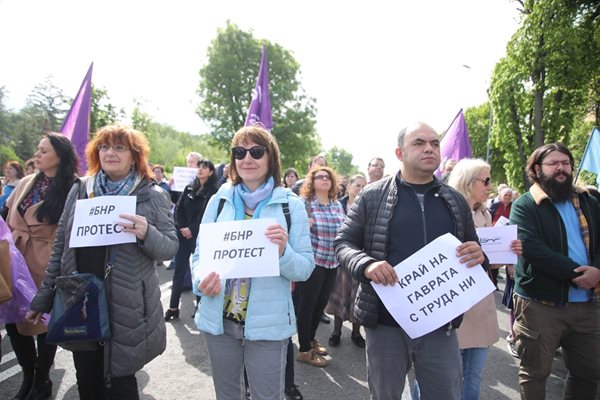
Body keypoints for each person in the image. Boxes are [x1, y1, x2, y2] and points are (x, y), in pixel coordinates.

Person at [334, 122, 485, 400]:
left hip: (441, 324)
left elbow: (475, 254)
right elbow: (343, 244)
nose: (429, 148)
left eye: (435, 143)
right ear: (400, 152)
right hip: (385, 324)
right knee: (385, 395)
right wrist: (367, 265)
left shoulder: (455, 200)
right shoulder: (372, 196)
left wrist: (479, 255)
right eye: (419, 143)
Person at [27, 124, 178, 399]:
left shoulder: (152, 195)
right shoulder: (81, 190)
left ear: (135, 156)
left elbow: (169, 248)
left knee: (121, 384)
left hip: (126, 306)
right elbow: (61, 246)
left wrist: (147, 233)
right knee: (87, 381)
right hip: (81, 301)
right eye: (105, 147)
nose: (110, 153)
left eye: (120, 147)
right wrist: (43, 298)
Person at [190, 125, 314, 400]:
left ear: (271, 158)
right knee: (227, 395)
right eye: (239, 151)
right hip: (219, 320)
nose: (247, 159)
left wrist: (283, 252)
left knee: (267, 396)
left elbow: (305, 268)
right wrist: (201, 281)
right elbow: (199, 255)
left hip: (267, 325)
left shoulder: (290, 206)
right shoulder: (218, 200)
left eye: (256, 152)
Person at [510, 143, 600, 399]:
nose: (561, 168)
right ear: (537, 169)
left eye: (566, 163)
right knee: (535, 373)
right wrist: (580, 274)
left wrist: (597, 270)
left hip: (589, 305)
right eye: (553, 164)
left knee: (589, 373)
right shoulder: (525, 205)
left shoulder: (589, 201)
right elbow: (533, 249)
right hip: (541, 304)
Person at [2, 134, 78, 400]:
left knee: (45, 323)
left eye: (44, 150)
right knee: (14, 320)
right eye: (37, 149)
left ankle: (43, 379)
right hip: (14, 261)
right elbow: (5, 217)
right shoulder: (25, 182)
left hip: (47, 263)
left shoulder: (73, 188)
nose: (37, 154)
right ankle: (29, 375)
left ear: (60, 155)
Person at [447, 158, 522, 400]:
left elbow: (489, 262)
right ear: (468, 182)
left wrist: (510, 251)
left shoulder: (485, 213)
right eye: (486, 180)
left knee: (473, 374)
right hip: (453, 303)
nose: (490, 185)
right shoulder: (445, 212)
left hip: (480, 303)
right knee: (444, 376)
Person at [296, 166, 346, 367]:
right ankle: (303, 350)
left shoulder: (336, 205)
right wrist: (302, 226)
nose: (324, 180)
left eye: (328, 177)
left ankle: (310, 339)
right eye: (319, 177)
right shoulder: (304, 204)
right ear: (312, 181)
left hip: (332, 263)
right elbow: (294, 233)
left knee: (320, 305)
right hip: (313, 262)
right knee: (307, 306)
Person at [165, 159, 218, 321]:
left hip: (201, 237)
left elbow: (206, 215)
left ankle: (200, 307)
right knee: (179, 271)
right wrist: (182, 227)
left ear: (211, 172)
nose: (200, 169)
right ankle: (173, 308)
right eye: (199, 167)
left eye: (205, 167)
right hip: (183, 235)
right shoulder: (189, 188)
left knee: (201, 272)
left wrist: (192, 229)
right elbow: (179, 210)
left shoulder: (213, 192)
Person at [325, 173, 367, 348]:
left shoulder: (369, 206)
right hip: (341, 259)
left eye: (364, 186)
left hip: (361, 259)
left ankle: (356, 333)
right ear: (348, 186)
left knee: (358, 297)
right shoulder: (337, 206)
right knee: (340, 296)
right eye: (357, 185)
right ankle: (337, 331)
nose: (360, 189)